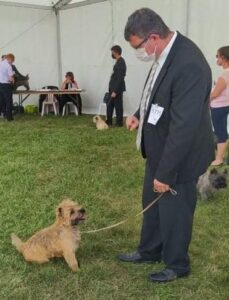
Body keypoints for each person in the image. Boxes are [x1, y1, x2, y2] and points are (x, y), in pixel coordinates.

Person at [117, 8, 215, 283]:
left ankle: (176, 264)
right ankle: (149, 250)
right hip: (160, 150)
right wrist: (138, 113)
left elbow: (183, 127)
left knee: (175, 211)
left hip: (181, 157)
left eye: (137, 46)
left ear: (153, 37)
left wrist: (166, 173)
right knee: (152, 203)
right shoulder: (164, 53)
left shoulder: (189, 64)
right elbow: (156, 92)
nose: (138, 52)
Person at [210, 46, 229, 166]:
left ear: (223, 58)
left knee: (220, 132)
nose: (216, 59)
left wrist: (205, 99)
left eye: (217, 56)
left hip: (218, 108)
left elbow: (215, 94)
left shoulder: (224, 77)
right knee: (222, 131)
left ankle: (219, 158)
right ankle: (220, 154)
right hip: (225, 106)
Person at [106, 45, 126, 127]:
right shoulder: (118, 61)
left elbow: (120, 78)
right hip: (113, 88)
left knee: (118, 106)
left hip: (117, 89)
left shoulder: (121, 62)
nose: (112, 54)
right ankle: (109, 121)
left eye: (112, 52)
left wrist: (115, 91)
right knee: (110, 105)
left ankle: (119, 123)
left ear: (116, 52)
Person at [0, 53, 15, 121]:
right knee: (9, 101)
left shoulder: (1, 63)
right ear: (10, 59)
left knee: (2, 100)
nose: (12, 62)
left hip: (0, 84)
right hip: (6, 85)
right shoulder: (8, 66)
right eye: (12, 61)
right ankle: (9, 117)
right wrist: (13, 80)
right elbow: (10, 78)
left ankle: (4, 114)